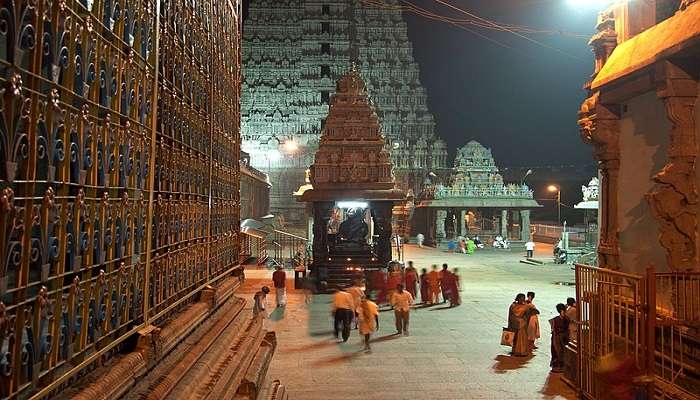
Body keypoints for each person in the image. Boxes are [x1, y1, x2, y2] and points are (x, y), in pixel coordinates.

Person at [550, 303, 570, 372]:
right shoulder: (565, 318)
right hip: (560, 338)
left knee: (558, 351)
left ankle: (558, 366)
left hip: (558, 338)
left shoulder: (555, 319)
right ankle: (559, 366)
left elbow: (553, 330)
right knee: (558, 351)